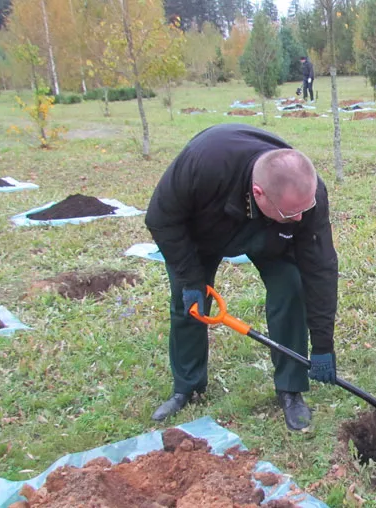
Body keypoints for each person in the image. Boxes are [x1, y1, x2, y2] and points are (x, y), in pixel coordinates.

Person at [145, 124, 339, 431]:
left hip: (270, 231)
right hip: (203, 227)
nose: (302, 219)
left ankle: (290, 388)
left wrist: (323, 345)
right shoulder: (203, 163)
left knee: (292, 287)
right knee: (189, 304)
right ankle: (188, 387)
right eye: (293, 214)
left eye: (305, 210)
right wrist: (191, 278)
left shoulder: (306, 198)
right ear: (260, 193)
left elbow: (320, 269)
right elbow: (160, 219)